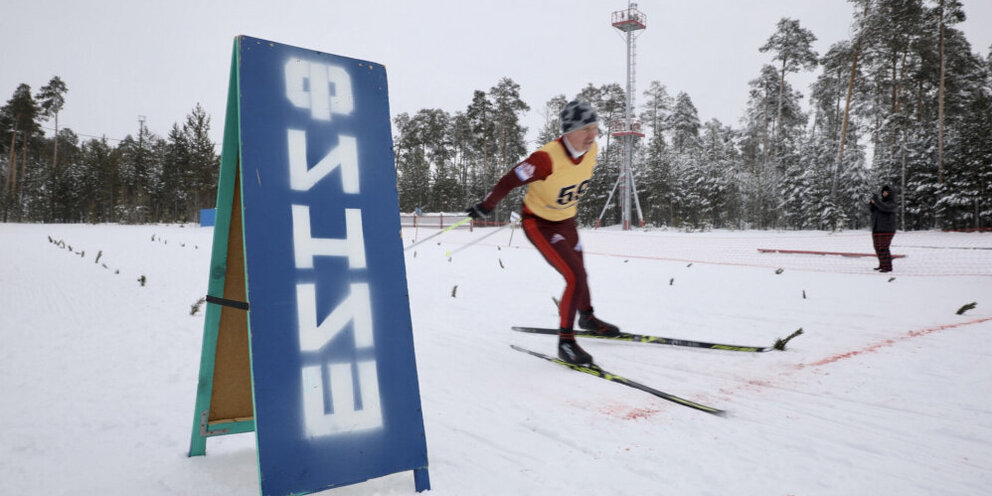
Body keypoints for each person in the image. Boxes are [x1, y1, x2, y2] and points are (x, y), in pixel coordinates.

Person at [466, 100, 619, 365]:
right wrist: (486, 206)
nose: (592, 135)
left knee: (581, 273)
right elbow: (510, 179)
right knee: (574, 276)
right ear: (568, 131)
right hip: (540, 224)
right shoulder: (545, 159)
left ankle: (587, 317)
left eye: (595, 127)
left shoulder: (591, 150)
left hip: (567, 222)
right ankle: (566, 342)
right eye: (585, 128)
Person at [869, 185, 898, 273]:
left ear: (890, 193)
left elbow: (885, 208)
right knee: (877, 247)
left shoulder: (892, 203)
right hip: (877, 229)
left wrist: (876, 201)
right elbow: (873, 210)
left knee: (884, 247)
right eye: (883, 192)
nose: (884, 193)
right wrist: (872, 204)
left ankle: (887, 266)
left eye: (886, 192)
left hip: (887, 229)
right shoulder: (880, 203)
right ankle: (882, 264)